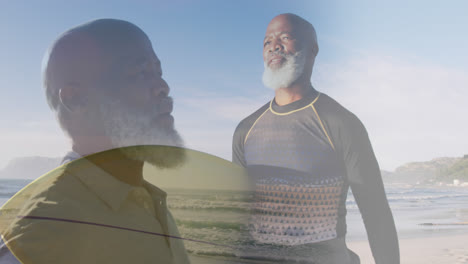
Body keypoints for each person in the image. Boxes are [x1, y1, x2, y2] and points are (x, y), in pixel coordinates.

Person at [0, 19, 189, 264]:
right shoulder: (47, 233)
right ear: (77, 99)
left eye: (158, 72)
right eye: (140, 73)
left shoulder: (148, 201)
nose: (163, 87)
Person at [233, 13, 399, 263]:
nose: (274, 46)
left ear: (313, 50)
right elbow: (236, 214)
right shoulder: (246, 130)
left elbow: (376, 213)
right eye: (267, 42)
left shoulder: (341, 123)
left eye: (285, 38)